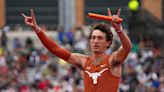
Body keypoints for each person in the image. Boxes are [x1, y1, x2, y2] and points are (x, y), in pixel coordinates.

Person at [22, 8, 132, 92]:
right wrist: (37, 30)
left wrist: (119, 29)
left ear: (108, 42)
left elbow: (127, 48)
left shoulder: (112, 61)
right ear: (89, 41)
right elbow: (55, 49)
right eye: (93, 38)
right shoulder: (83, 61)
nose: (95, 41)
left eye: (100, 38)